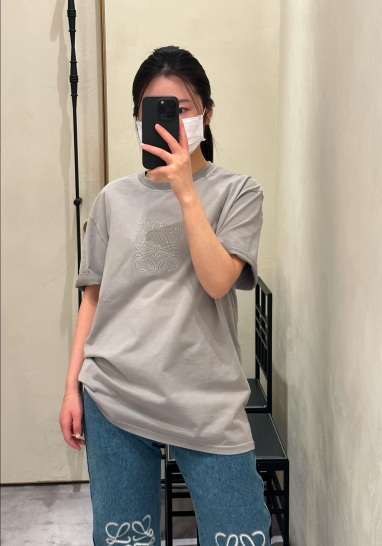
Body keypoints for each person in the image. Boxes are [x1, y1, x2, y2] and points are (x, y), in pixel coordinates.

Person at [59, 45, 270, 546]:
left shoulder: (239, 193)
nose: (168, 119)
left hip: (207, 402)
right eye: (153, 109)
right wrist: (71, 389)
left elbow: (217, 281)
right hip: (115, 396)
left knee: (241, 534)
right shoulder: (112, 200)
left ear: (206, 115)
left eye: (182, 108)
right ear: (138, 118)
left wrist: (185, 191)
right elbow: (93, 300)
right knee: (125, 540)